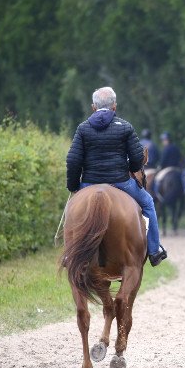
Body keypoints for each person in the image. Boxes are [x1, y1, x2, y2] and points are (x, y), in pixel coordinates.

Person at [65, 87, 166, 267]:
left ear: (93, 107)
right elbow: (137, 158)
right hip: (121, 182)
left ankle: (69, 254)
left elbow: (73, 161)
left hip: (89, 183)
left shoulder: (83, 128)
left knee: (71, 210)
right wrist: (131, 168)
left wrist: (73, 186)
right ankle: (154, 250)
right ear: (114, 106)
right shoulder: (125, 127)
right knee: (148, 203)